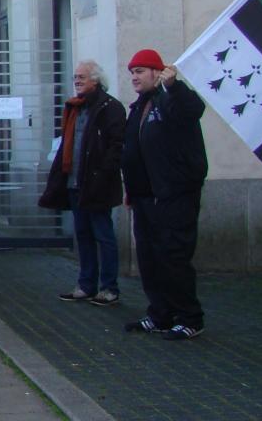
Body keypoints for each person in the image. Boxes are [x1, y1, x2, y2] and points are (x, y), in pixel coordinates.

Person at [120, 49, 208, 340]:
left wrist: (175, 86)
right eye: (132, 72)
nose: (134, 77)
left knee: (174, 256)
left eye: (141, 71)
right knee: (149, 257)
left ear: (158, 73)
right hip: (146, 198)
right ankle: (160, 314)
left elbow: (193, 110)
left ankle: (190, 318)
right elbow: (134, 152)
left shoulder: (169, 100)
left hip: (174, 195)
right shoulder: (140, 106)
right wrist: (132, 190)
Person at [38, 60, 126, 306]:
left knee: (103, 235)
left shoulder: (111, 108)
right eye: (75, 77)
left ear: (96, 80)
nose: (77, 81)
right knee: (83, 234)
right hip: (75, 182)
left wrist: (103, 175)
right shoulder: (75, 108)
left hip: (98, 184)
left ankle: (109, 287)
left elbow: (115, 147)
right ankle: (86, 284)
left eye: (82, 77)